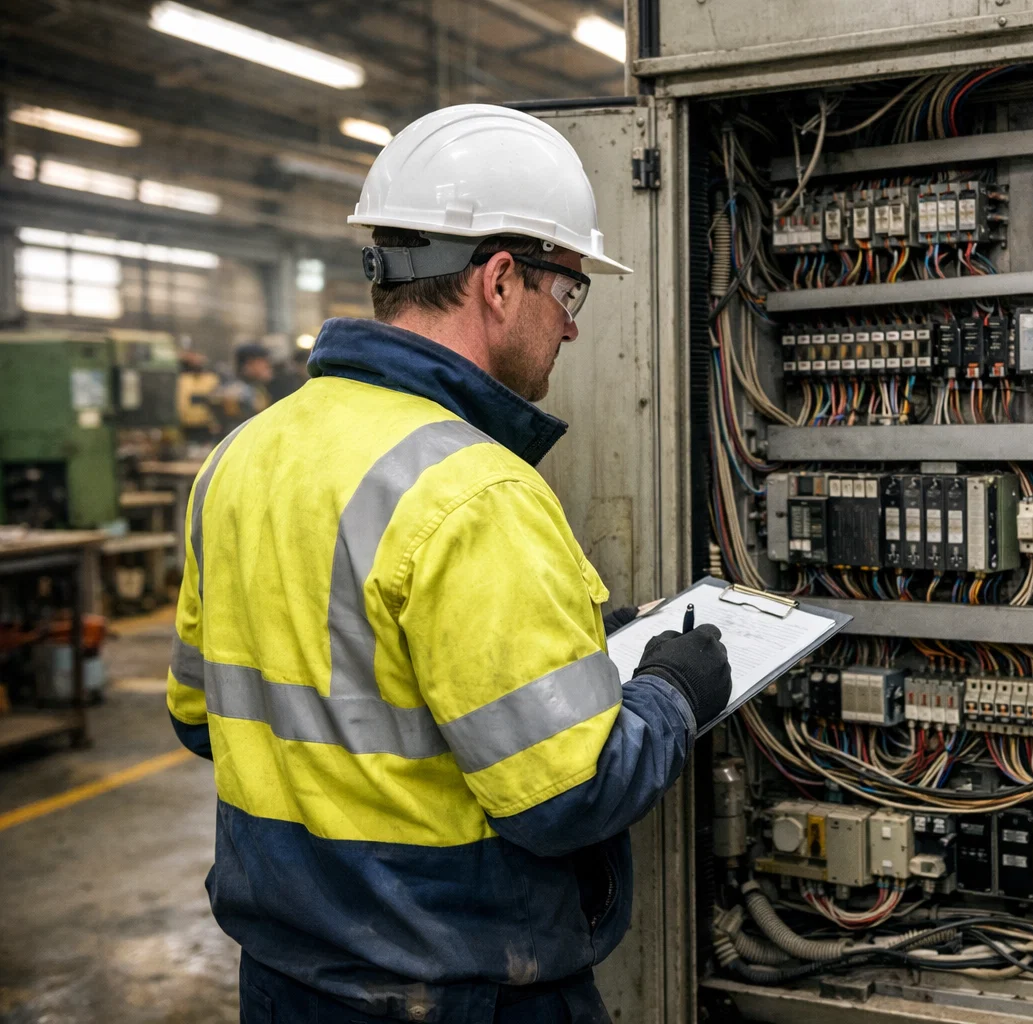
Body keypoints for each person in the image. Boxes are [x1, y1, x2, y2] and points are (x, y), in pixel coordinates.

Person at [165, 104, 732, 1024]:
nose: (573, 327)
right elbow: (570, 792)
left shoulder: (243, 455)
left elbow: (205, 717)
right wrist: (671, 690)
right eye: (569, 291)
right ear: (502, 280)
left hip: (284, 983)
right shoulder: (473, 490)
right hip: (459, 990)